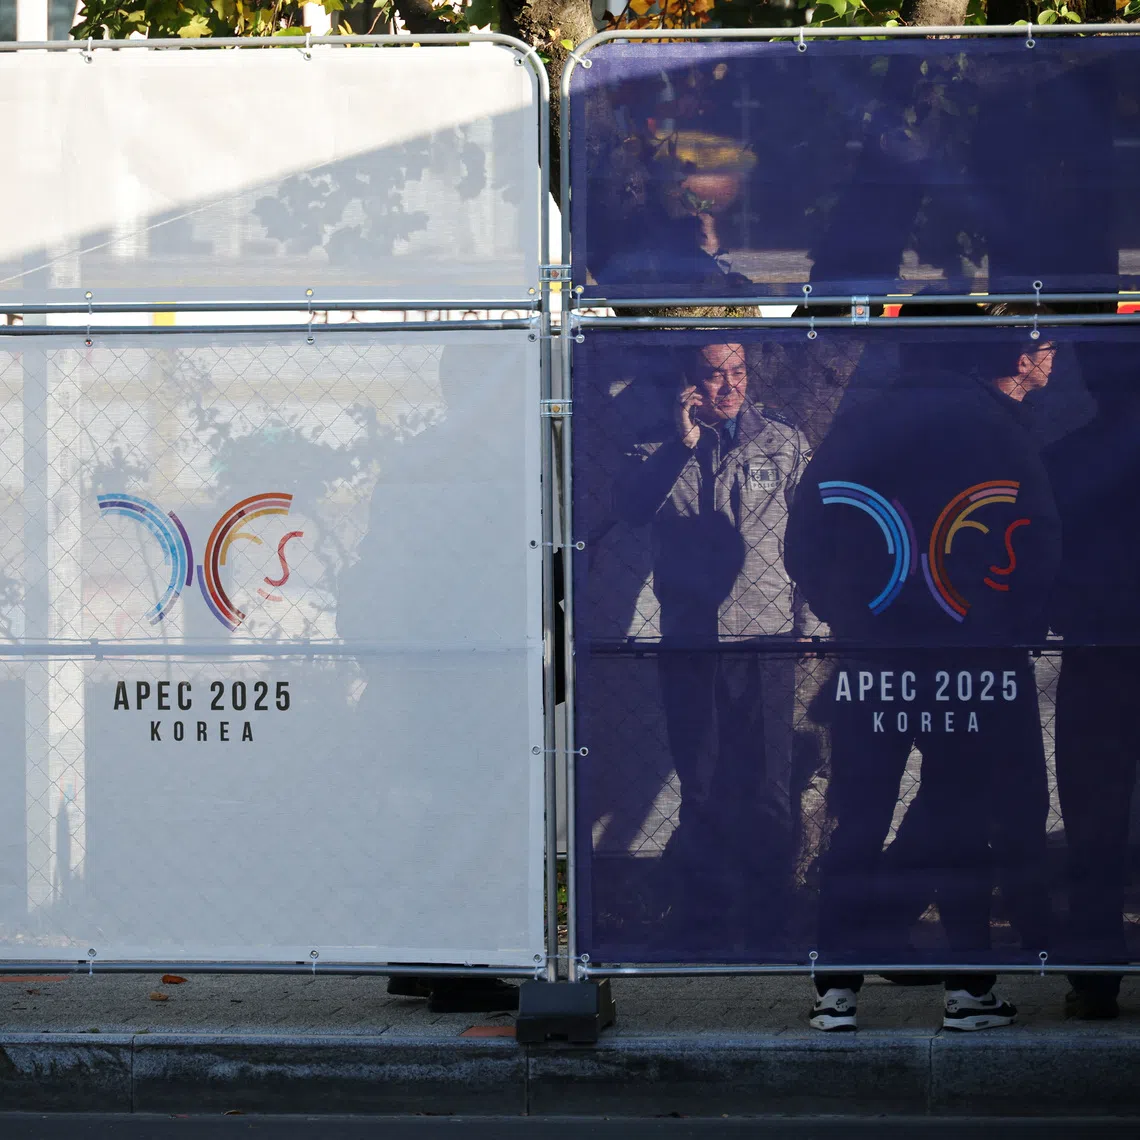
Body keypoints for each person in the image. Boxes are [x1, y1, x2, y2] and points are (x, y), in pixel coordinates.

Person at [784, 319, 1061, 1031]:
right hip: (968, 661)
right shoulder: (995, 427)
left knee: (860, 816)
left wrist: (852, 618)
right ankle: (968, 992)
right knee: (961, 815)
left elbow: (804, 538)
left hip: (875, 663)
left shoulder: (859, 427)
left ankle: (835, 993)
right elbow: (1037, 538)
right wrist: (1004, 627)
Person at [614, 342, 816, 954]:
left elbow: (814, 539)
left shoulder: (782, 444)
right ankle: (704, 918)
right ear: (687, 382)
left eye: (738, 372)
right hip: (693, 640)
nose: (727, 385)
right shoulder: (655, 446)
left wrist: (809, 623)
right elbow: (629, 510)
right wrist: (682, 444)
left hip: (767, 636)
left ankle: (769, 917)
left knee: (769, 788)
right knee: (699, 784)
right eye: (712, 374)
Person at [1044, 337, 1140, 1020]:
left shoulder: (1063, 461)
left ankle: (1096, 976)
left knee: (1095, 824)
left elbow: (1041, 567)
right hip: (1103, 649)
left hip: (1097, 656)